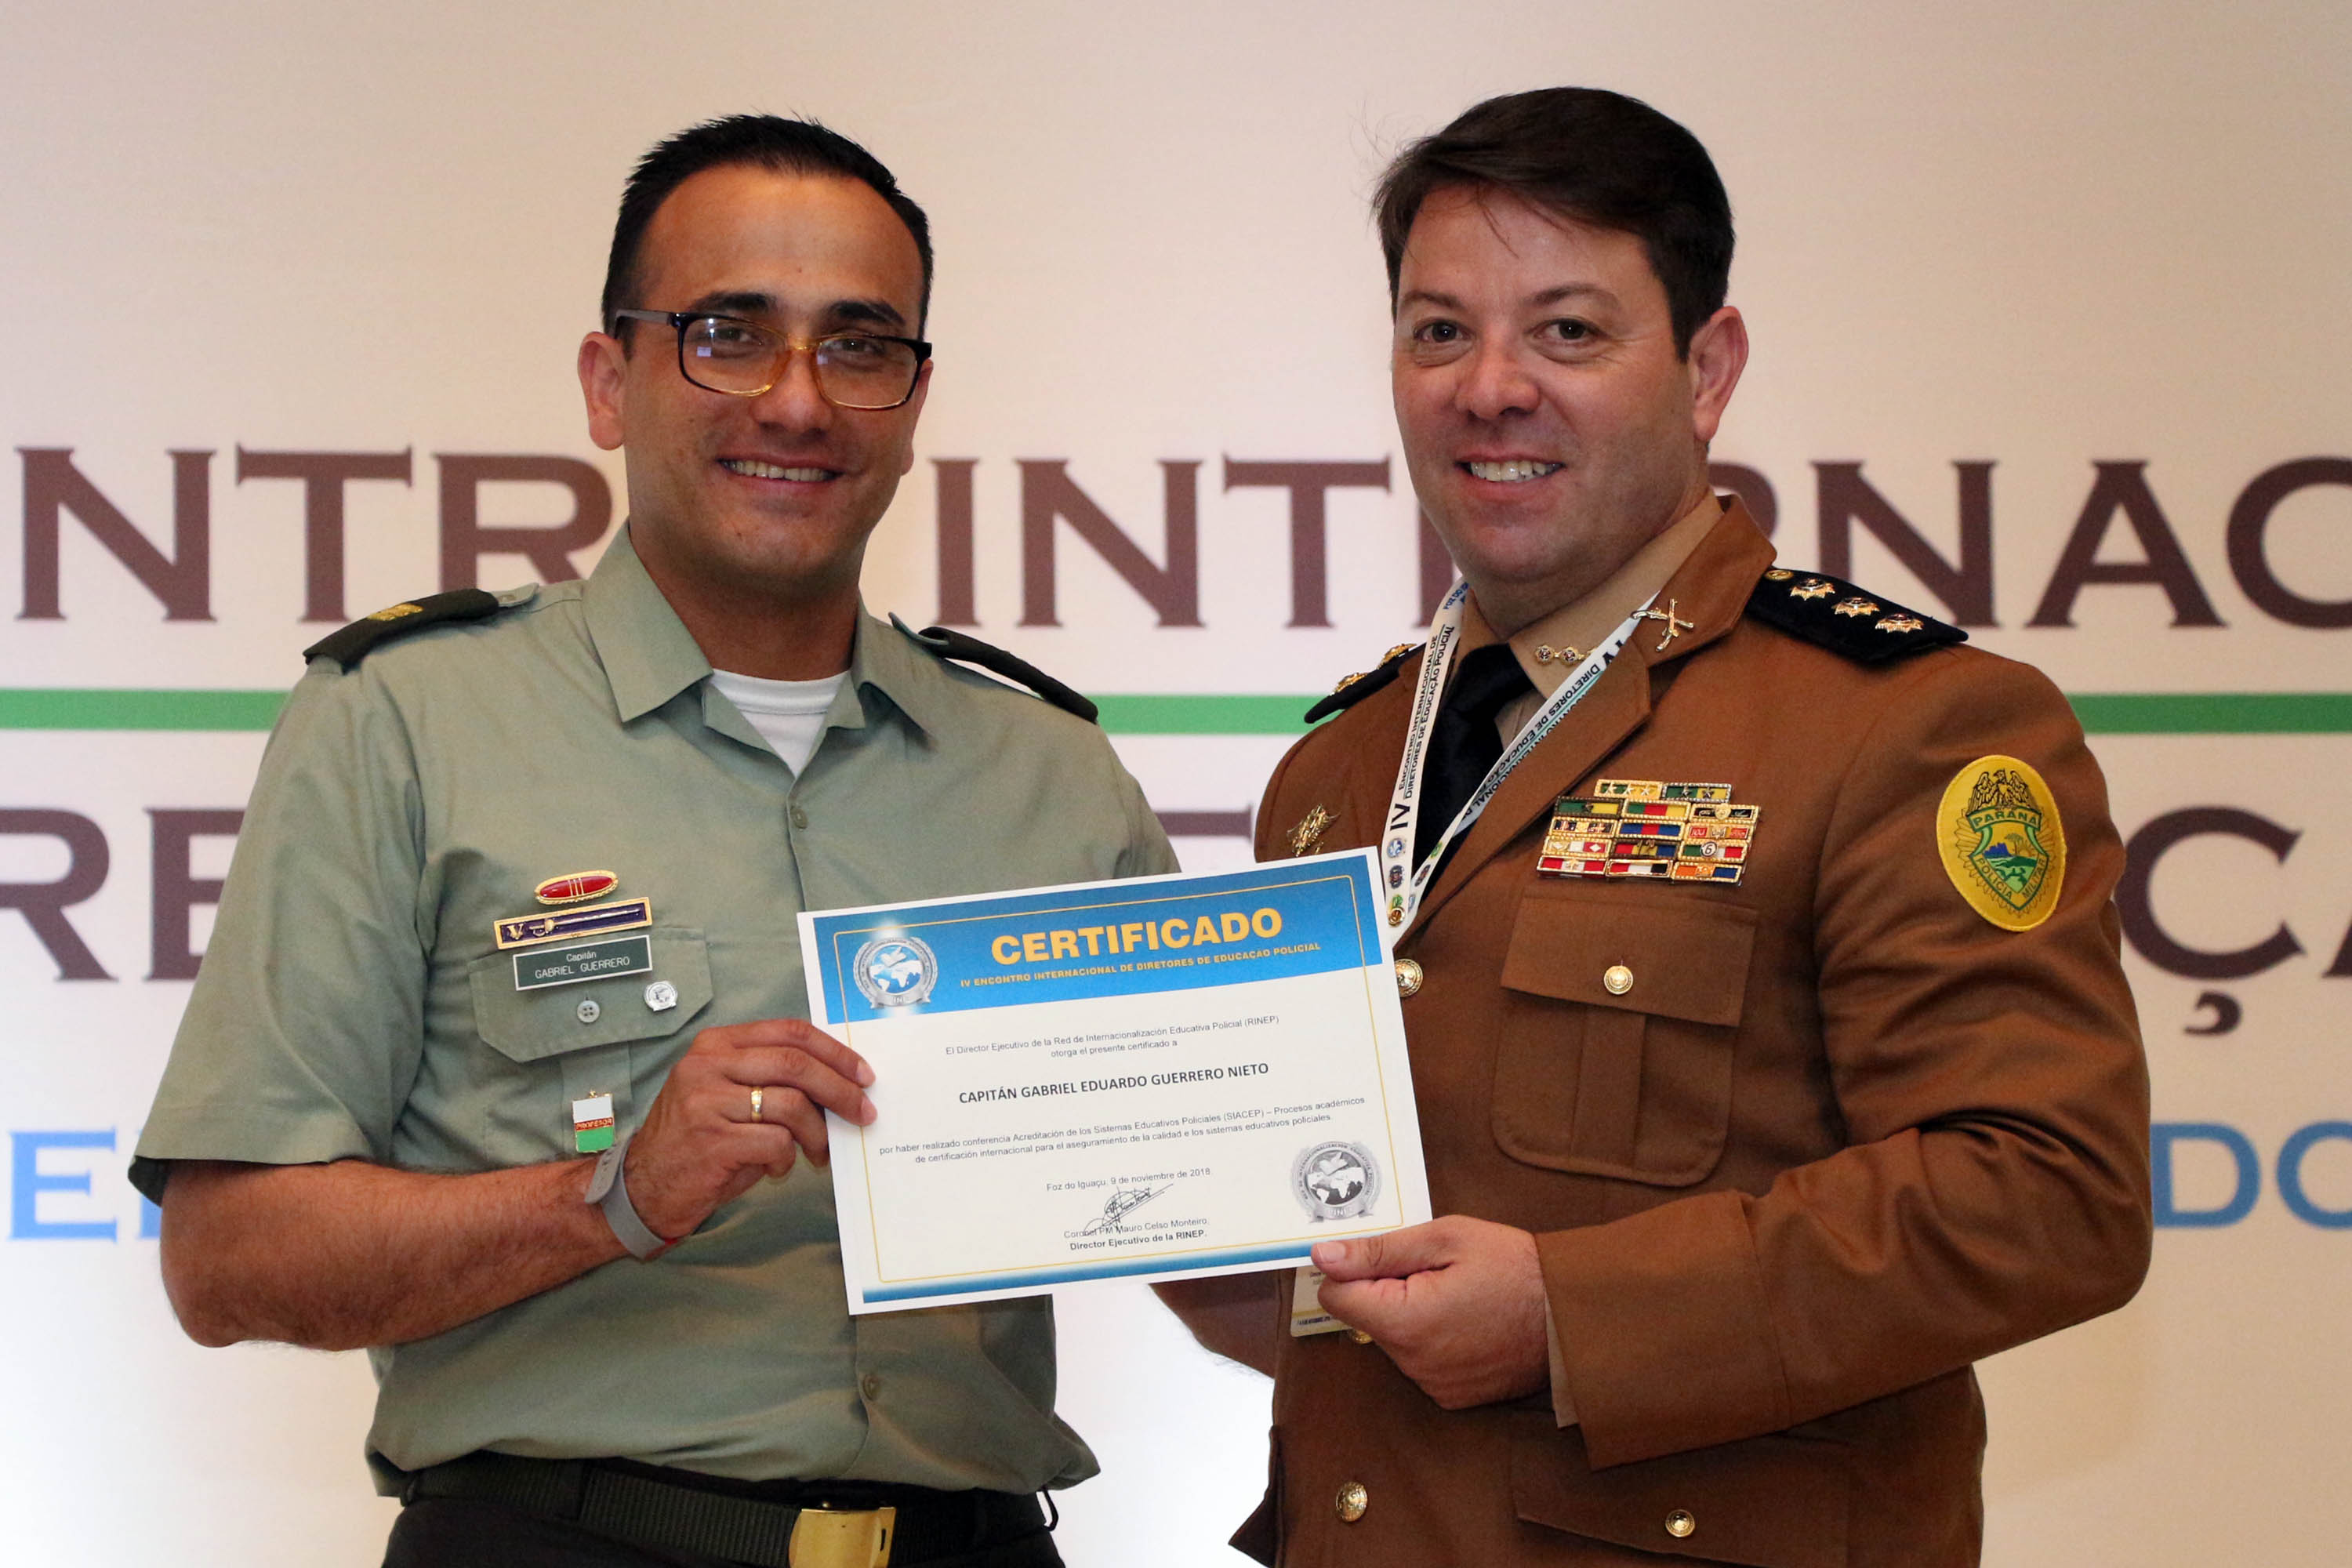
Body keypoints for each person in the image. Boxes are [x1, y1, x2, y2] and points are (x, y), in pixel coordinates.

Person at [132, 114, 1174, 1568]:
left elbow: (1217, 1234)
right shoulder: (405, 719)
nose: (797, 400)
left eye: (859, 346)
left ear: (914, 400)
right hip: (562, 1540)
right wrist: (613, 1197)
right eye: (727, 335)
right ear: (609, 381)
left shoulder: (1051, 773)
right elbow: (227, 1262)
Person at [1157, 87, 2151, 1566]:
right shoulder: (1341, 765)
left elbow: (2049, 1193)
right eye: (1439, 331)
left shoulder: (1903, 723)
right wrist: (1169, 1214)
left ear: (1708, 368)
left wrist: (1572, 1317)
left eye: (1567, 330)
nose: (1491, 387)